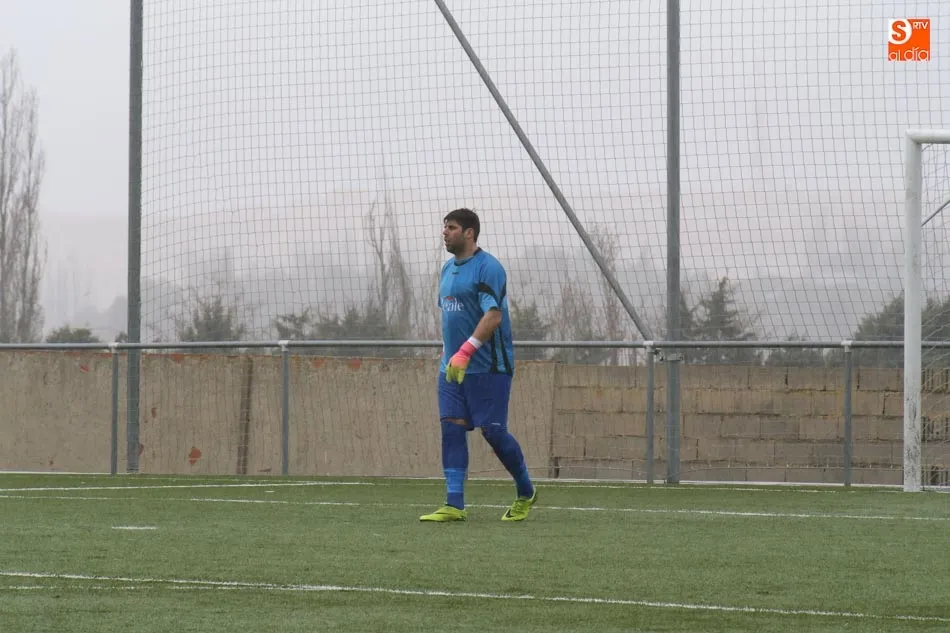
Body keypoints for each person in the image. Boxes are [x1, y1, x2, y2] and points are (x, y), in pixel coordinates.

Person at [420, 208, 537, 523]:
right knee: (451, 427)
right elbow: (451, 317)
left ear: (469, 233)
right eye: (444, 227)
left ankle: (526, 491)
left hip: (489, 366)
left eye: (451, 227)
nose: (445, 232)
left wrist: (466, 351)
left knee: (493, 432)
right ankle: (454, 504)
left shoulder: (489, 267)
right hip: (451, 368)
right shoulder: (447, 269)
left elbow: (493, 316)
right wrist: (450, 356)